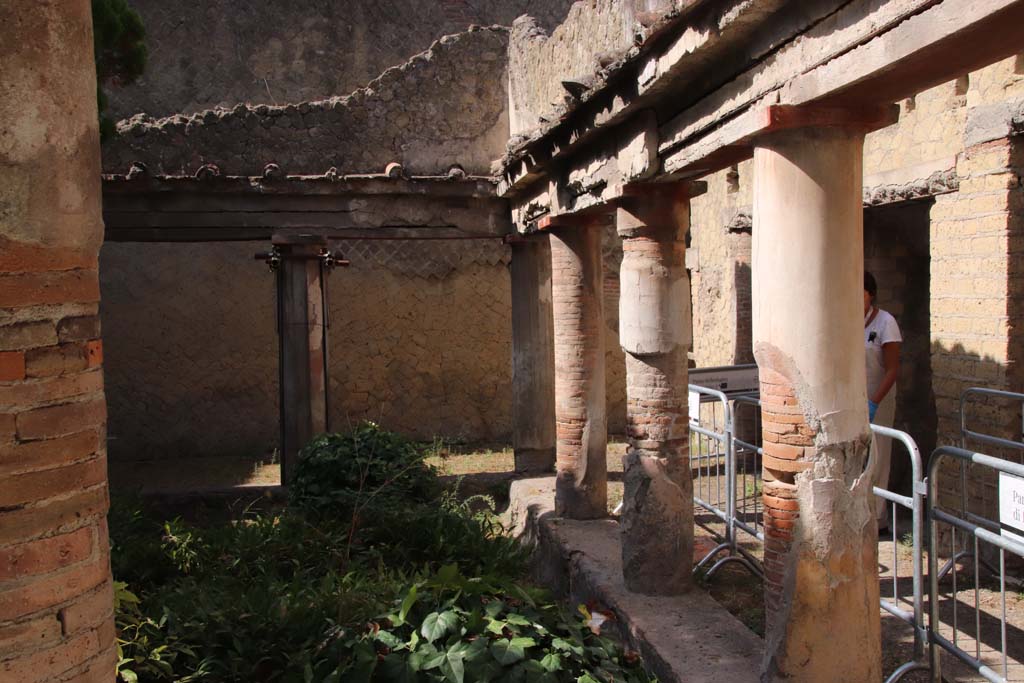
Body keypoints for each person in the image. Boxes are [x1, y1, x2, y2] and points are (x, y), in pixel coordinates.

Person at [864, 271, 901, 532]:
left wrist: (874, 402)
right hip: (855, 398)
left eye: (860, 292)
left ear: (871, 294)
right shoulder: (847, 320)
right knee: (857, 459)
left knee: (878, 456)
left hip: (880, 398)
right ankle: (859, 516)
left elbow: (892, 369)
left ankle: (878, 519)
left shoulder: (885, 323)